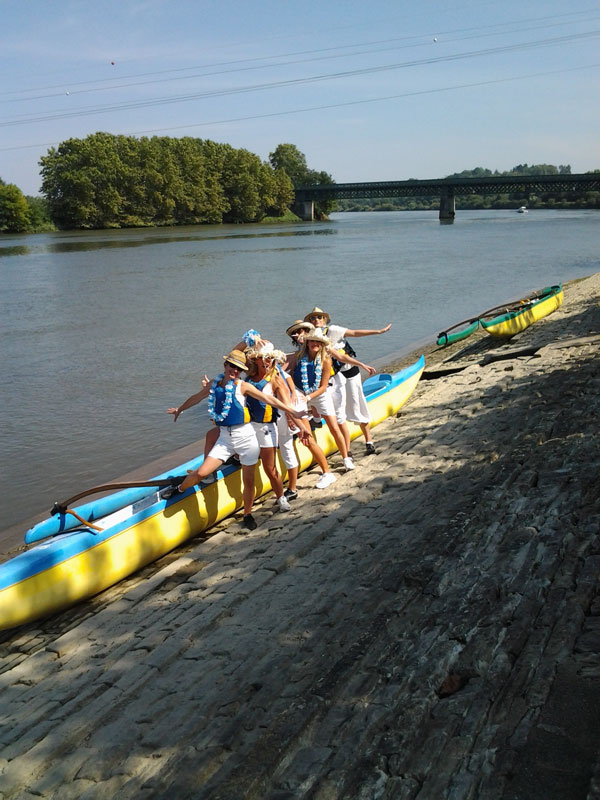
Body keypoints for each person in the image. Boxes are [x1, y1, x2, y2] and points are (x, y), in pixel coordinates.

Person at [163, 349, 304, 530]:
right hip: (225, 438)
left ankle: (248, 514)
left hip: (246, 438)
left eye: (238, 369)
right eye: (232, 366)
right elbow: (196, 398)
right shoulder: (214, 384)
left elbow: (270, 400)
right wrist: (179, 409)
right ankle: (179, 489)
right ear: (225, 365)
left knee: (250, 481)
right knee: (201, 472)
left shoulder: (242, 386)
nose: (235, 371)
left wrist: (294, 412)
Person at [304, 307, 391, 455]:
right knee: (338, 411)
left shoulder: (333, 330)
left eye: (319, 317)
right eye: (313, 318)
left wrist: (378, 332)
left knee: (357, 403)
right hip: (333, 376)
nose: (316, 320)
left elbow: (355, 333)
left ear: (325, 319)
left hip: (349, 373)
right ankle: (346, 450)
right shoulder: (311, 337)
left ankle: (369, 441)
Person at [287, 330, 355, 473]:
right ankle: (324, 467)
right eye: (312, 341)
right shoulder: (298, 356)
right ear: (307, 343)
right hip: (300, 393)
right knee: (306, 431)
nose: (315, 344)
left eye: (318, 342)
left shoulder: (326, 360)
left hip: (319, 395)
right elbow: (288, 373)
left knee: (334, 427)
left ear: (322, 344)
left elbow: (324, 386)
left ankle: (346, 458)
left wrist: (310, 398)